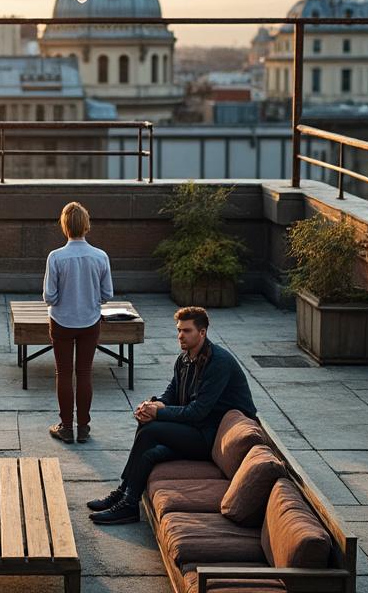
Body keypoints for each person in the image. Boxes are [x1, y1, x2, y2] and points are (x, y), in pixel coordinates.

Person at [88, 306, 256, 525]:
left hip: (212, 437)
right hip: (196, 429)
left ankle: (128, 503)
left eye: (187, 331)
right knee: (149, 448)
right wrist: (151, 406)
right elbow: (172, 393)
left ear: (202, 333)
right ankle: (125, 494)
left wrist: (159, 413)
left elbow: (197, 412)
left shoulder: (218, 363)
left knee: (152, 430)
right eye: (179, 330)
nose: (180, 336)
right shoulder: (185, 359)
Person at [43, 201, 113, 445]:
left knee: (63, 372)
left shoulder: (56, 257)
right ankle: (83, 427)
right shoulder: (100, 256)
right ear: (86, 225)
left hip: (61, 321)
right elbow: (107, 294)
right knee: (84, 373)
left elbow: (49, 296)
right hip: (89, 321)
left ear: (64, 226)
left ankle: (66, 426)